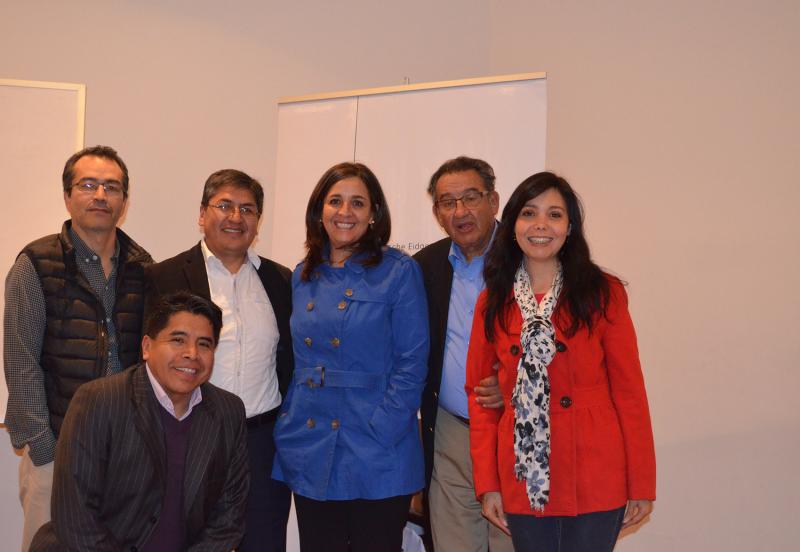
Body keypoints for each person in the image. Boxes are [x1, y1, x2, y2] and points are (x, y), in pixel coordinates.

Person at [466, 172, 656, 551]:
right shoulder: (493, 301)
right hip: (522, 473)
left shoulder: (602, 292)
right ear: (513, 225)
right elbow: (481, 399)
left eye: (554, 215)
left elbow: (630, 393)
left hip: (595, 470)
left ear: (569, 227)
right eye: (529, 213)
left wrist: (641, 482)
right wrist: (488, 484)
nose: (541, 225)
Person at [272, 162, 429, 552]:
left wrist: (384, 428)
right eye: (335, 201)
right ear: (319, 211)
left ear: (374, 213)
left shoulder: (399, 271)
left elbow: (412, 363)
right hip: (310, 440)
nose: (345, 212)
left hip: (376, 444)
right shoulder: (303, 275)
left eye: (357, 203)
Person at [3, 145, 152, 550]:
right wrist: (44, 447)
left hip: (125, 453)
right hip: (56, 448)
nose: (100, 195)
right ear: (68, 196)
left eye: (111, 187)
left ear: (124, 200)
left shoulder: (143, 268)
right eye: (88, 185)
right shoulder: (36, 264)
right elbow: (20, 361)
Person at [29, 292, 249, 551]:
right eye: (178, 340)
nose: (192, 353)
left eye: (204, 344)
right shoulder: (98, 401)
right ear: (147, 347)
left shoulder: (228, 412)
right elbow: (75, 515)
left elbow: (228, 516)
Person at [145, 168, 293, 551]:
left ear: (258, 221)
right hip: (190, 434)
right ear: (201, 214)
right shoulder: (164, 277)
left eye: (247, 209)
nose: (235, 217)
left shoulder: (281, 280)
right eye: (224, 205)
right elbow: (145, 362)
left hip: (263, 442)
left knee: (264, 541)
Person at [414, 156, 513, 552]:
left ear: (494, 201)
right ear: (437, 213)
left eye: (471, 198)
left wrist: (515, 387)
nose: (460, 211)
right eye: (447, 202)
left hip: (514, 430)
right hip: (451, 431)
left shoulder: (529, 257)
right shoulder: (425, 266)